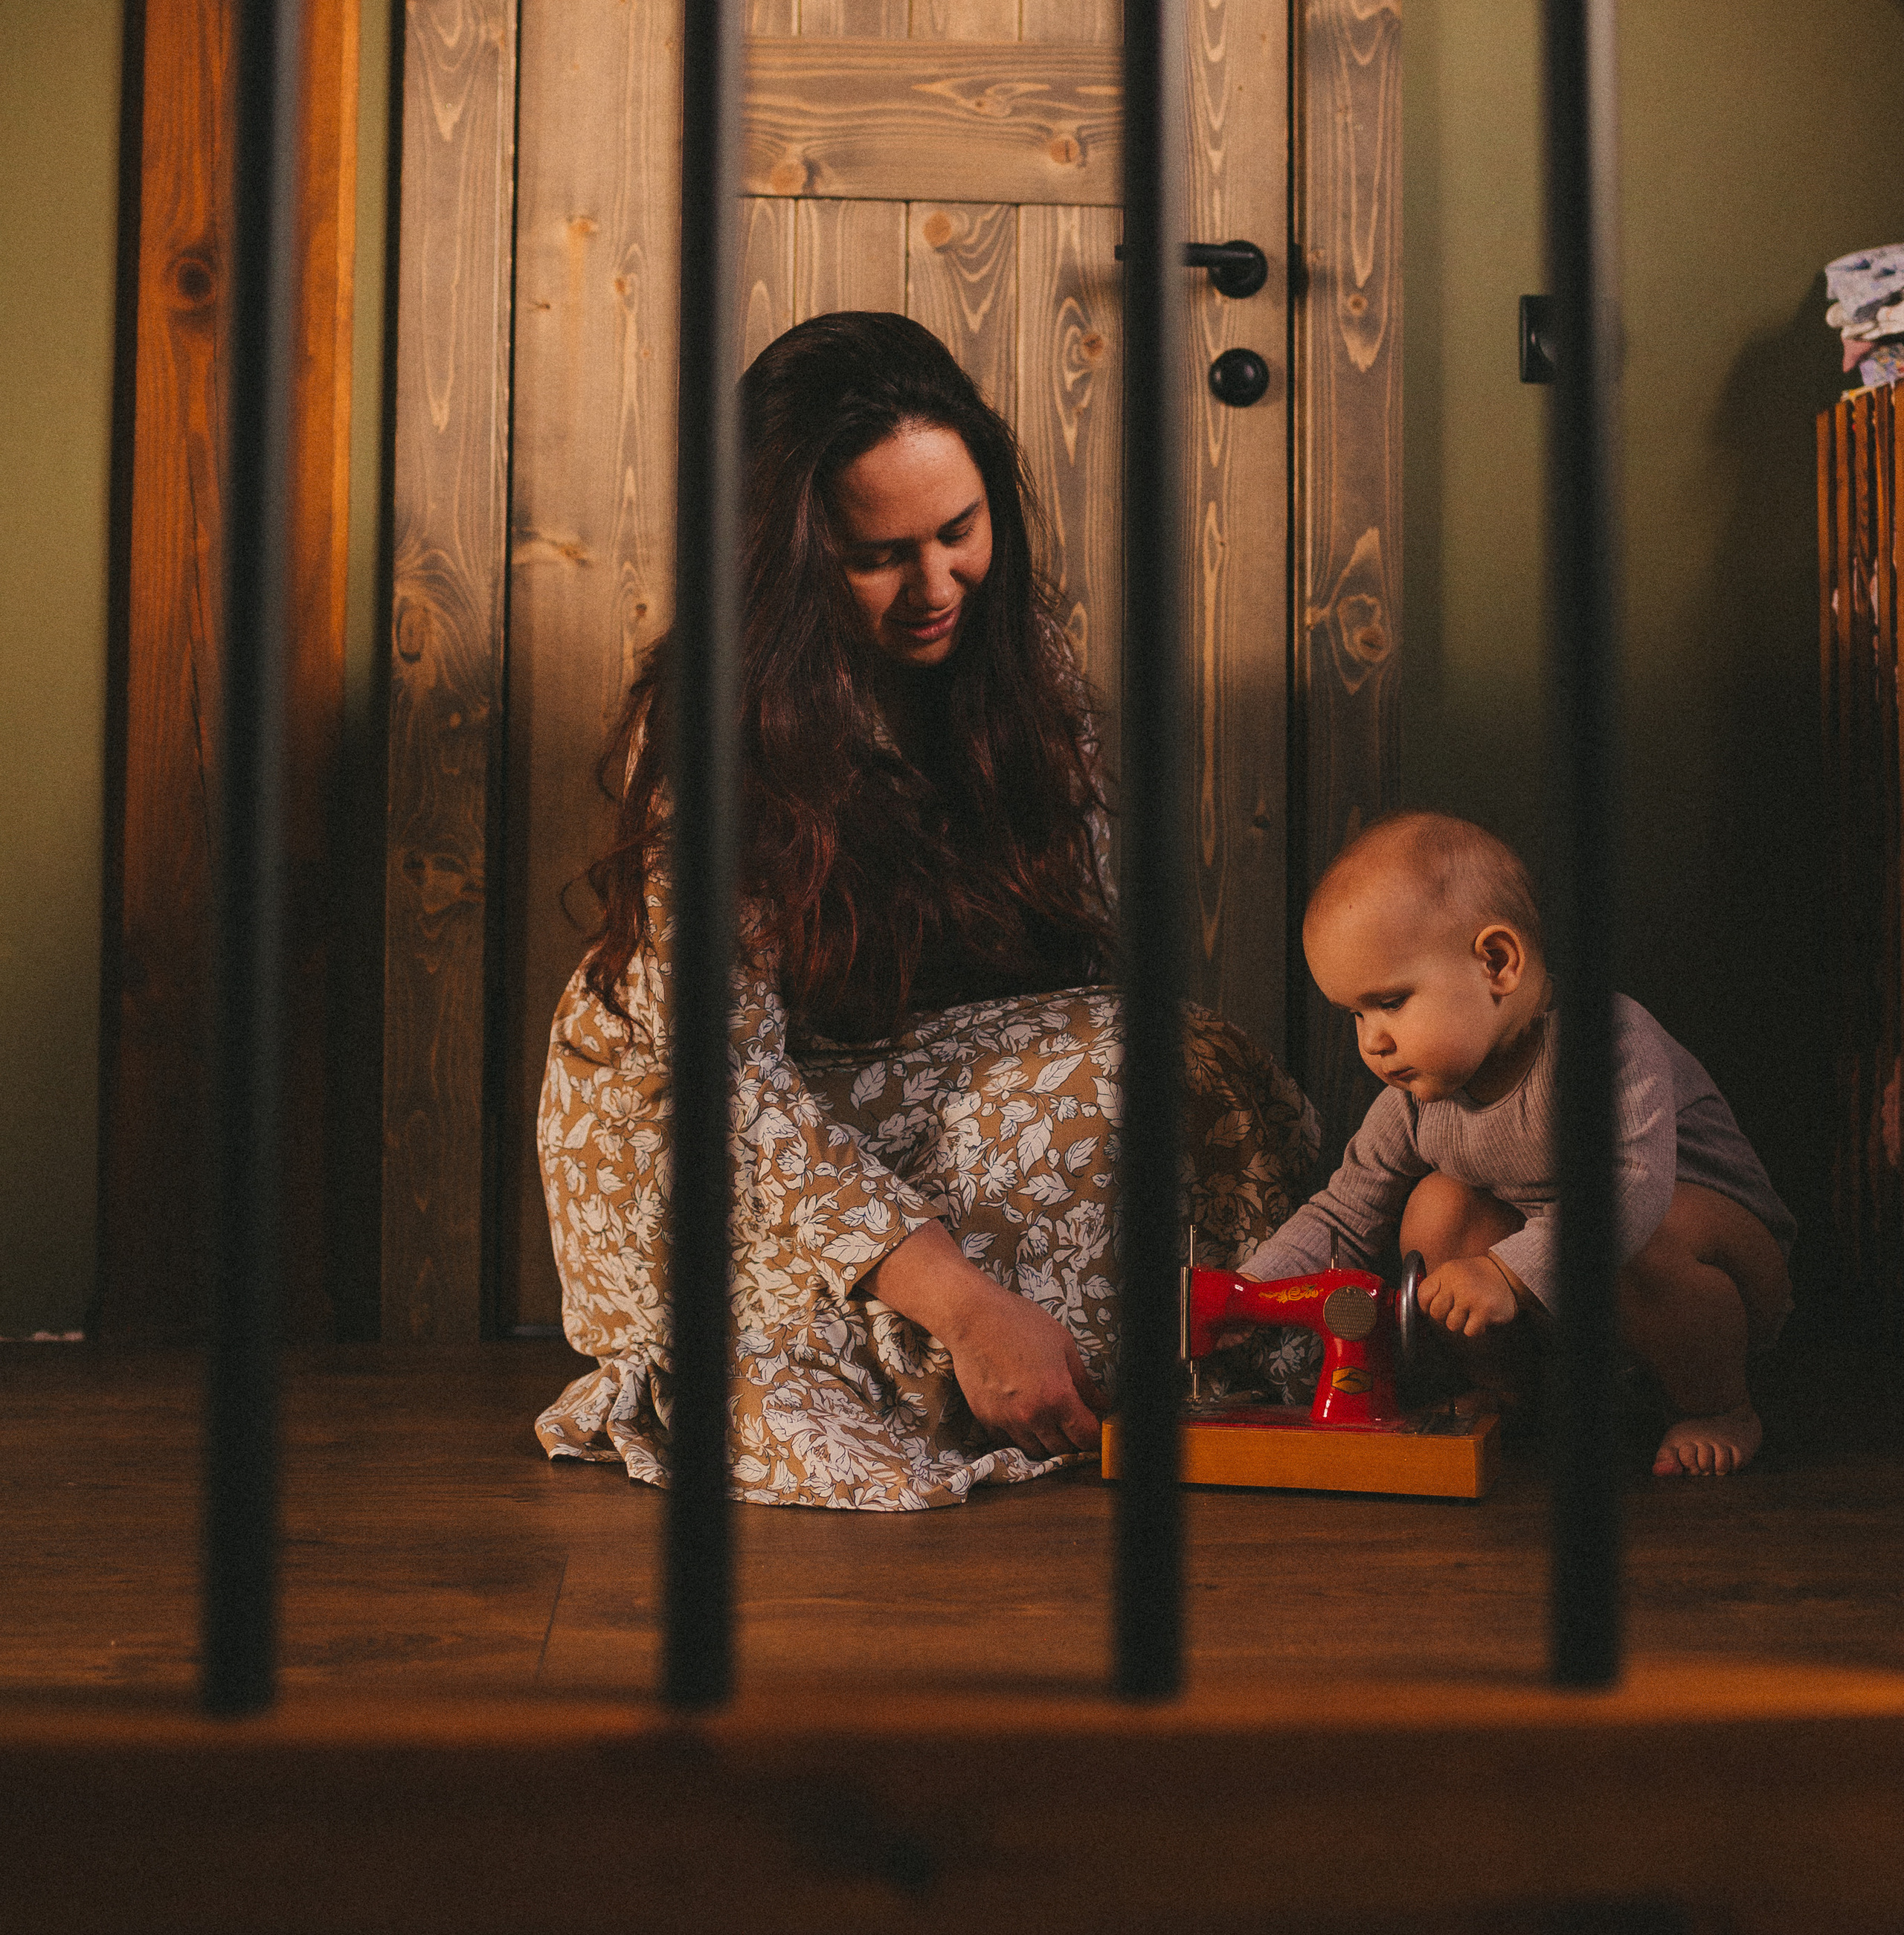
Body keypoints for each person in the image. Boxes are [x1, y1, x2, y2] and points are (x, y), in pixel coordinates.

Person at [536, 312, 1316, 1511]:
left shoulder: (1019, 666)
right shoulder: (716, 732)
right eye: (877, 555)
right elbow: (726, 1082)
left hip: (895, 1069)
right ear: (787, 561)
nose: (937, 583)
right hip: (690, 1119)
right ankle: (951, 1338)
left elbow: (1074, 976)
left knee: (1184, 1070)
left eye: (960, 531)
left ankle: (1312, 1338)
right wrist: (962, 1299)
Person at [1238, 811, 1794, 1479]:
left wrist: (1508, 1272)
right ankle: (1520, 1397)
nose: (1371, 1041)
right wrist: (1244, 1295)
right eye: (1355, 1014)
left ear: (1496, 964)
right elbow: (1342, 1215)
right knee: (1436, 1208)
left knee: (1632, 1226)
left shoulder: (1602, 1043)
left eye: (1390, 1001)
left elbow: (1632, 1189)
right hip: (1567, 1304)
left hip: (1717, 1279)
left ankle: (1720, 1405)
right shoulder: (1416, 1103)